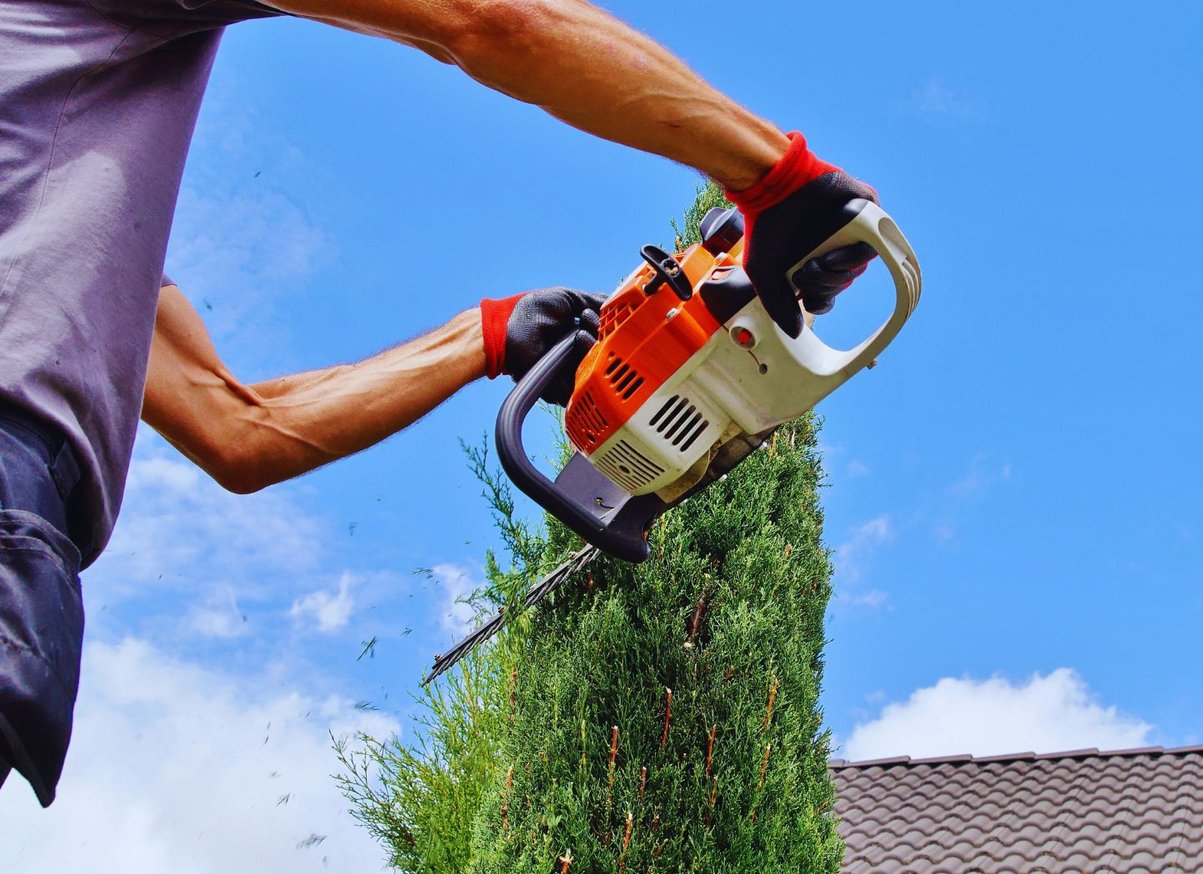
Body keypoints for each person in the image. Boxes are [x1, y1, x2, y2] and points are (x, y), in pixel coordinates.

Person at [0, 0, 878, 808]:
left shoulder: (48, 214)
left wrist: (490, 337)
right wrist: (780, 179)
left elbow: (237, 428)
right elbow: (489, 19)